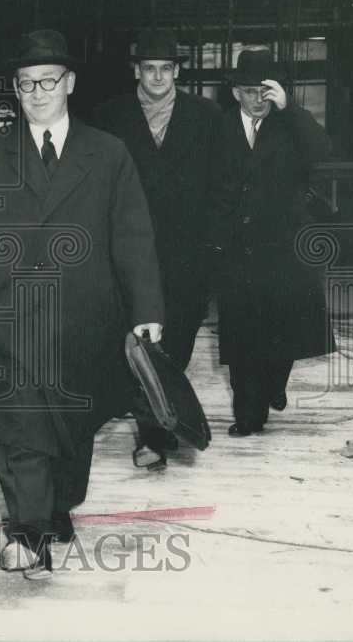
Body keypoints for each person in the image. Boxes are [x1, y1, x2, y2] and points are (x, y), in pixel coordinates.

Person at [0, 30, 165, 579]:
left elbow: (132, 235)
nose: (37, 92)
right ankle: (26, 533)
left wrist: (146, 311)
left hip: (85, 318)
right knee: (19, 430)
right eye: (26, 84)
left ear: (69, 83)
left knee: (74, 430)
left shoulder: (108, 152)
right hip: (11, 317)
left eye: (48, 81)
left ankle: (56, 507)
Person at [92, 28, 222, 470]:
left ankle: (158, 426)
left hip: (188, 256)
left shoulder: (205, 117)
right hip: (130, 254)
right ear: (137, 71)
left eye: (166, 69)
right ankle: (154, 436)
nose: (158, 77)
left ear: (177, 72)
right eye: (150, 69)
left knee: (177, 346)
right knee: (138, 344)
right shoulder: (110, 117)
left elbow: (221, 186)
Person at [210, 48, 335, 436]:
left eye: (266, 91)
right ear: (236, 93)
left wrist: (291, 108)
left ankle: (274, 385)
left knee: (284, 330)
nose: (258, 99)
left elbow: (323, 153)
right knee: (242, 336)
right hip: (237, 250)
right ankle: (248, 414)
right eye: (250, 91)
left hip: (283, 248)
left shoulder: (291, 125)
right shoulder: (219, 127)